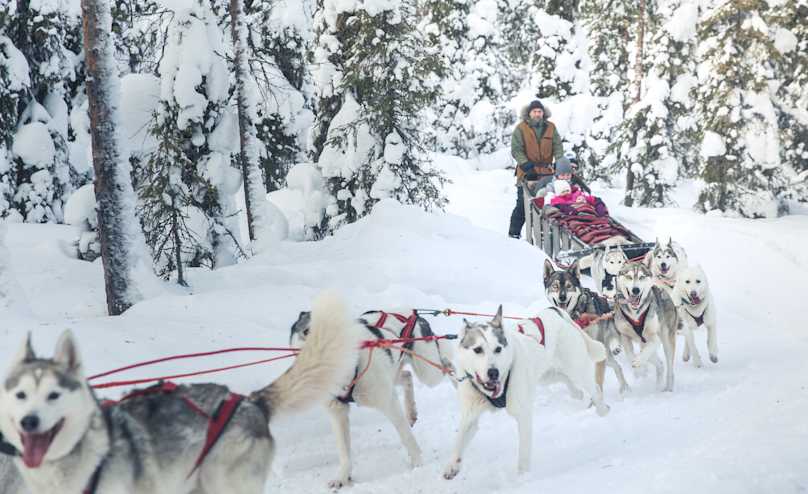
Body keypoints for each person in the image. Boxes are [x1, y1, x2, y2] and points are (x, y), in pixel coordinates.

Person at [508, 99, 564, 239]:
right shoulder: (521, 128)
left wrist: (560, 162)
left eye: (540, 111)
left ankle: (545, 235)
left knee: (547, 201)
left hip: (546, 172)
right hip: (527, 172)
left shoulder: (551, 127)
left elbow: (557, 146)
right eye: (535, 111)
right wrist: (525, 164)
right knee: (523, 204)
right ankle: (514, 233)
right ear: (529, 113)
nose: (538, 114)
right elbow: (516, 149)